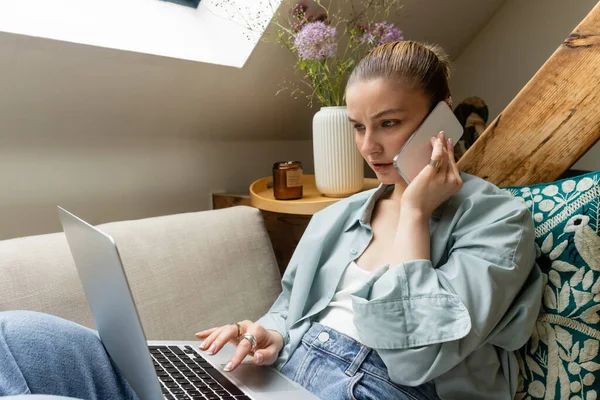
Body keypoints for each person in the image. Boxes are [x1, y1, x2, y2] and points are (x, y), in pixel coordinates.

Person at [0, 40, 543, 400]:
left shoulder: (497, 221)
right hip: (280, 379)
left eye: (390, 123)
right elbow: (289, 307)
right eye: (357, 126)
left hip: (375, 387)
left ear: (442, 115)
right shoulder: (341, 216)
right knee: (14, 335)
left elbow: (417, 354)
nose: (369, 146)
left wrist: (417, 214)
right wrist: (270, 333)